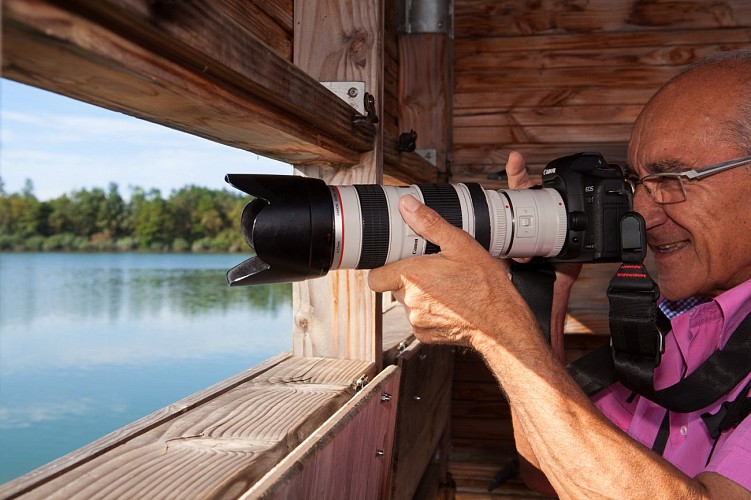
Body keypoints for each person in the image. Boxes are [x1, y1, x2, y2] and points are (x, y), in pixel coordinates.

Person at [368, 49, 751, 497]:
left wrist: (497, 329)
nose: (642, 213)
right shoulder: (682, 318)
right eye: (638, 182)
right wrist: (538, 293)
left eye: (671, 181)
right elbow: (554, 470)